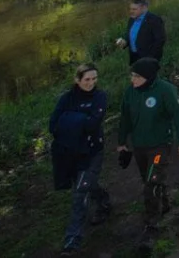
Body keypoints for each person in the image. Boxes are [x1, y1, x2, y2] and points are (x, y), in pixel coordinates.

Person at [117, 58, 179, 247]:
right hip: (140, 145)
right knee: (149, 179)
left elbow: (178, 114)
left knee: (152, 181)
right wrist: (121, 142)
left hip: (159, 145)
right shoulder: (130, 93)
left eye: (137, 76)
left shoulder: (165, 90)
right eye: (131, 75)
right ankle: (163, 204)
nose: (133, 80)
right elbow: (124, 117)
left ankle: (152, 223)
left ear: (148, 77)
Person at [50, 64, 111, 255]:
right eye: (87, 79)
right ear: (77, 80)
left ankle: (72, 242)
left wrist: (69, 119)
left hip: (93, 153)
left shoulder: (100, 97)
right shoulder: (66, 99)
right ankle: (104, 201)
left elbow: (93, 125)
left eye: (94, 79)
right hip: (70, 154)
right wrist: (80, 119)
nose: (91, 83)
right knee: (86, 185)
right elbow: (53, 126)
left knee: (79, 195)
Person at [115, 0, 165, 65]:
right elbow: (130, 35)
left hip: (148, 59)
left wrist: (151, 58)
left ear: (144, 8)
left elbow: (160, 40)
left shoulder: (154, 20)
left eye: (134, 9)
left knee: (148, 76)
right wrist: (125, 42)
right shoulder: (131, 19)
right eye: (130, 9)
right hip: (134, 57)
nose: (131, 11)